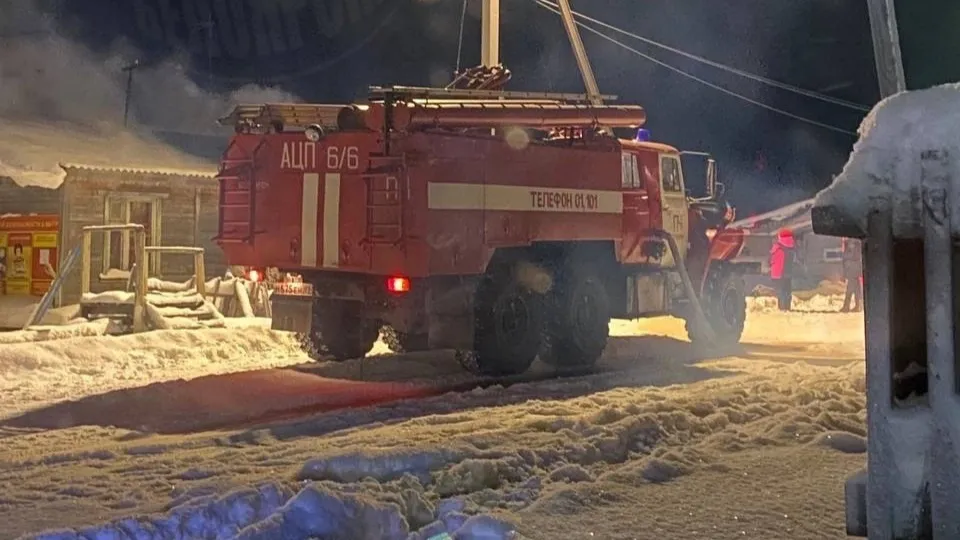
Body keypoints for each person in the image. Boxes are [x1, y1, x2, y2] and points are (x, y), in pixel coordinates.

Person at [769, 228, 796, 311]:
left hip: (778, 274)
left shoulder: (777, 247)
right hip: (788, 273)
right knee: (787, 291)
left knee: (781, 291)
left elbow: (772, 260)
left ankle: (781, 307)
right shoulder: (792, 248)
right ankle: (787, 307)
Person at [840, 237, 863, 312]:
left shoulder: (853, 243)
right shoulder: (855, 242)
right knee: (857, 288)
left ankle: (847, 306)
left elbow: (851, 256)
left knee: (850, 288)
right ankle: (858, 306)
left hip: (853, 268)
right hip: (855, 268)